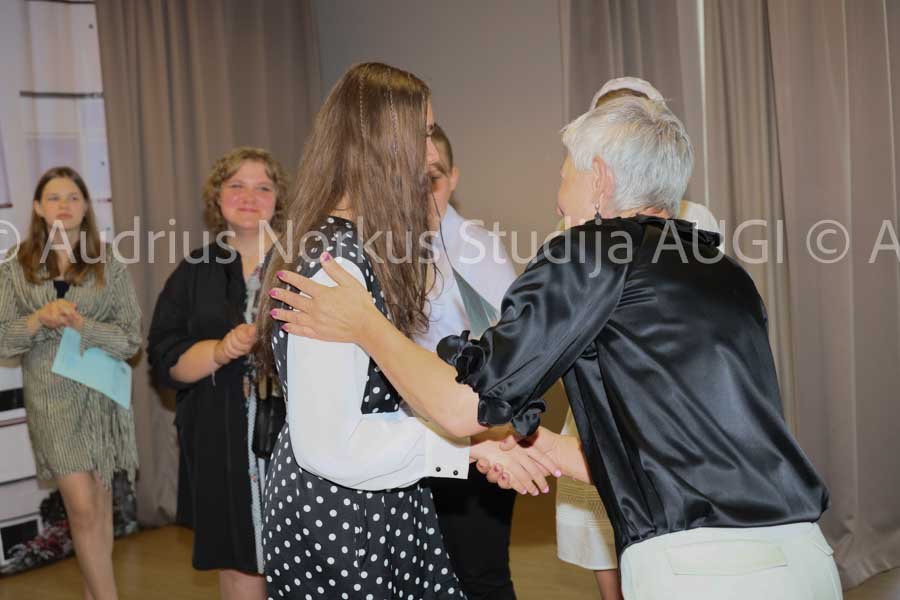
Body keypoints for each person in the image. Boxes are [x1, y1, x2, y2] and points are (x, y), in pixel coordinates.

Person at [270, 94, 841, 599]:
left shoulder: (593, 250)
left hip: (703, 570)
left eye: (564, 176)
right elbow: (677, 450)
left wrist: (366, 323)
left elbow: (461, 406)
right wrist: (513, 445)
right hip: (802, 557)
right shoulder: (722, 270)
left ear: (600, 180)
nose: (557, 200)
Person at [257, 62, 556, 600]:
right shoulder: (333, 265)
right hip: (342, 520)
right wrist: (466, 450)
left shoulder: (363, 247)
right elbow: (332, 444)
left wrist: (478, 441)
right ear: (381, 145)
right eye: (422, 133)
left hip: (378, 498)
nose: (430, 150)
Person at [555, 76, 722, 600]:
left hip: (669, 411)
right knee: (607, 547)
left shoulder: (695, 221)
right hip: (600, 401)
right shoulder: (573, 224)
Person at [147, 147, 289, 600]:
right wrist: (220, 350)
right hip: (218, 437)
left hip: (294, 442)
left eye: (263, 187)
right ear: (217, 196)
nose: (249, 196)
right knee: (236, 560)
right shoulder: (194, 271)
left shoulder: (302, 265)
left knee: (300, 559)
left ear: (278, 199)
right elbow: (163, 357)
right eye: (236, 185)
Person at [0, 166, 141, 600]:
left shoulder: (108, 262)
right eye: (54, 197)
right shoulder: (15, 265)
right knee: (81, 508)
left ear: (85, 208)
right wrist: (38, 319)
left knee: (98, 510)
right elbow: (4, 339)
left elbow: (131, 339)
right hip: (51, 402)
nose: (64, 205)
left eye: (73, 197)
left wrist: (84, 326)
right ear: (38, 208)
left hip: (101, 400)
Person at [422, 125, 519, 599]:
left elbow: (508, 353)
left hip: (473, 433)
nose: (421, 192)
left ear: (454, 178)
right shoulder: (381, 247)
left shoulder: (477, 250)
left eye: (433, 178)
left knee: (479, 576)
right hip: (409, 436)